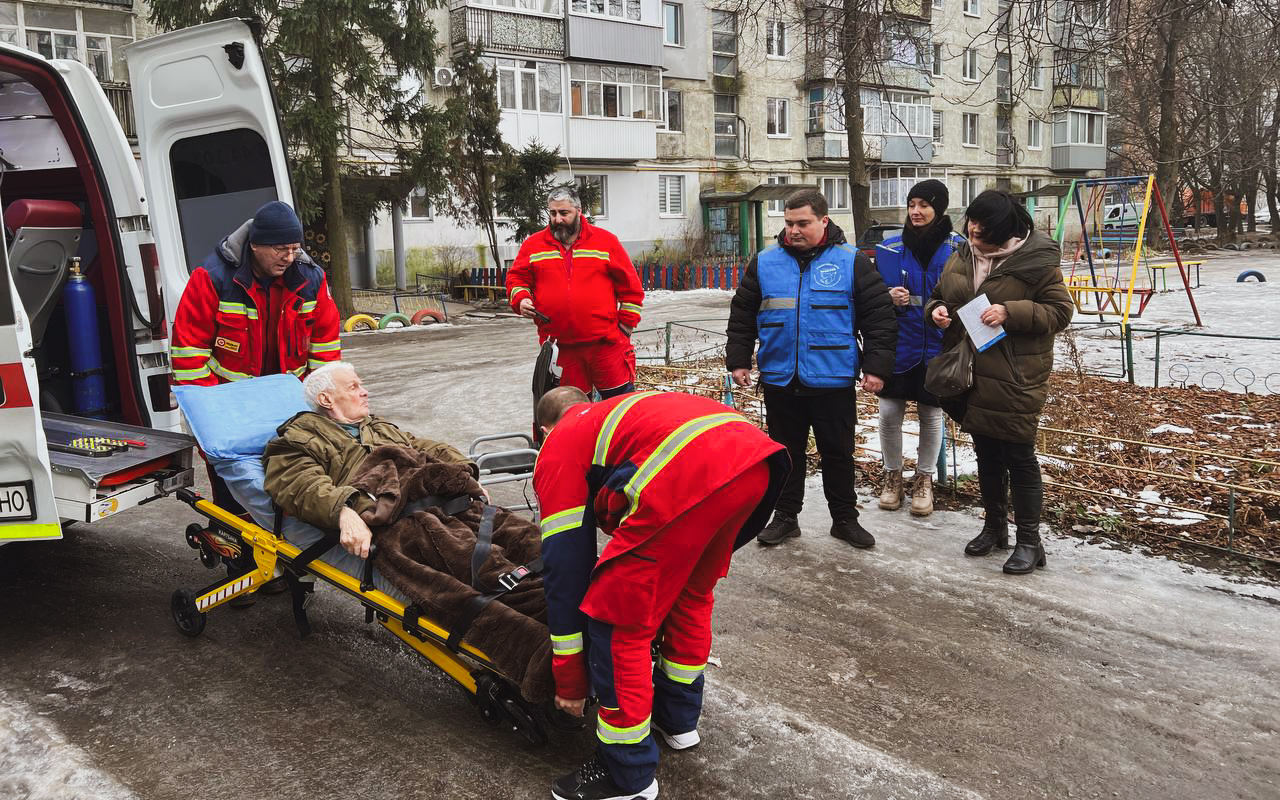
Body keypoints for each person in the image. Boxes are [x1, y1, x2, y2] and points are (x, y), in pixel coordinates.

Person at [532, 387, 789, 800]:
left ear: (544, 431)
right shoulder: (623, 414)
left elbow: (565, 563)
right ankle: (677, 720)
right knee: (690, 595)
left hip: (689, 471)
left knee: (617, 620)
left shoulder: (561, 441)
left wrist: (571, 679)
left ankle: (627, 776)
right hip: (755, 462)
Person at [172, 200, 341, 597]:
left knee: (292, 483)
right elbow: (189, 353)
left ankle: (290, 558)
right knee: (234, 488)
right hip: (229, 406)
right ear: (255, 246)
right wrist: (212, 420)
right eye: (281, 248)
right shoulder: (212, 278)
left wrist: (323, 404)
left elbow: (325, 347)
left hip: (286, 406)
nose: (290, 255)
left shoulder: (310, 279)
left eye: (295, 247)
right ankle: (241, 567)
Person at [725, 188, 897, 549]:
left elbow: (879, 317)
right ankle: (786, 517)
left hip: (832, 376)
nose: (794, 231)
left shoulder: (851, 261)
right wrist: (739, 360)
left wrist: (877, 368)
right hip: (780, 376)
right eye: (789, 223)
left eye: (803, 223)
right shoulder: (766, 262)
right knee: (785, 452)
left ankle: (845, 519)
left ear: (824, 220)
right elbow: (743, 315)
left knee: (838, 452)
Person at [924, 190, 1073, 575]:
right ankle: (994, 528)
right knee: (986, 454)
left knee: (1019, 457)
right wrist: (936, 312)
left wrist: (1011, 311)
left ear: (1005, 232)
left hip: (1015, 374)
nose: (973, 240)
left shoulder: (1036, 263)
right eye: (970, 231)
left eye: (981, 235)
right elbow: (940, 296)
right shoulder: (962, 256)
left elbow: (1060, 312)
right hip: (970, 372)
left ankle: (1029, 541)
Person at [262, 361, 479, 589]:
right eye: (353, 387)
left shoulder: (375, 426)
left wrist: (463, 470)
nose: (365, 391)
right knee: (486, 570)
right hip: (406, 522)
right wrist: (343, 511)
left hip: (446, 508)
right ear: (326, 400)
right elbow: (301, 484)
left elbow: (421, 445)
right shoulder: (298, 440)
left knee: (513, 539)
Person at [874, 179, 966, 517]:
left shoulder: (960, 249)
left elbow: (971, 297)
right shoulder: (890, 247)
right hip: (899, 346)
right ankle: (892, 476)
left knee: (930, 414)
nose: (915, 211)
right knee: (888, 414)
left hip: (939, 348)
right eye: (912, 204)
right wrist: (887, 296)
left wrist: (950, 315)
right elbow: (871, 296)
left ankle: (924, 480)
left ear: (938, 208)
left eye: (923, 205)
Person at [505, 187, 646, 399]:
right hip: (561, 350)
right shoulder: (533, 245)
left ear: (578, 211)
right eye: (553, 213)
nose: (557, 219)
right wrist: (521, 298)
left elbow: (631, 289)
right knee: (570, 414)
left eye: (564, 213)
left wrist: (625, 326)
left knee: (619, 407)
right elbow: (517, 279)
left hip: (605, 347)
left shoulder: (605, 242)